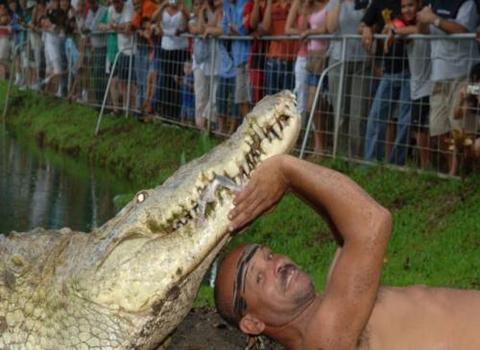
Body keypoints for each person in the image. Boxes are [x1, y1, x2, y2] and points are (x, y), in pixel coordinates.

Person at [215, 154, 480, 349]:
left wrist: (289, 188)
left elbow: (347, 232)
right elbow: (372, 222)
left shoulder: (333, 303)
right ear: (252, 324)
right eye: (260, 278)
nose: (277, 266)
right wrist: (284, 169)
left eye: (270, 255)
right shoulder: (325, 340)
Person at [417, 0, 479, 175]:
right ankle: (455, 169)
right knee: (438, 129)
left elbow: (462, 30)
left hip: (463, 74)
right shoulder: (433, 3)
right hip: (437, 76)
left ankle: (460, 173)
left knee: (461, 128)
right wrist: (423, 20)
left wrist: (434, 19)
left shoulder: (467, 4)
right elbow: (422, 31)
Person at [361, 0, 412, 166]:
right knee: (376, 117)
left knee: (405, 122)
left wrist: (397, 30)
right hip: (389, 71)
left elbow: (420, 25)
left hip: (412, 70)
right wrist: (366, 29)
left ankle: (396, 165)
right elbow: (362, 24)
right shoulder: (379, 2)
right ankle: (370, 164)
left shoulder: (411, 3)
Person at [385, 0, 432, 169]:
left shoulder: (426, 17)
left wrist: (396, 31)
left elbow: (419, 29)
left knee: (428, 128)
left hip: (430, 84)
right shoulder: (401, 23)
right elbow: (395, 26)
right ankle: (425, 167)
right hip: (416, 86)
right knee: (419, 128)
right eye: (404, 6)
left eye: (411, 5)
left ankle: (429, 167)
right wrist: (393, 30)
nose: (407, 10)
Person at [325, 0, 370, 159]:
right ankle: (340, 158)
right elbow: (331, 27)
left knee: (358, 113)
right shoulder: (334, 2)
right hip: (339, 60)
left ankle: (355, 159)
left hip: (362, 61)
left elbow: (371, 23)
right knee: (340, 111)